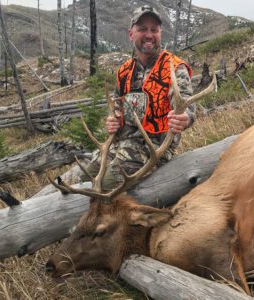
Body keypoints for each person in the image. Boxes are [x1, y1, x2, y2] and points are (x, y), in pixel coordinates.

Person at [83, 5, 195, 190]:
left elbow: (188, 107)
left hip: (152, 149)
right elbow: (116, 107)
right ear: (131, 34)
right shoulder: (125, 71)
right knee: (80, 175)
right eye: (142, 29)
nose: (149, 35)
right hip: (120, 145)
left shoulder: (175, 68)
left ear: (160, 33)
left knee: (103, 186)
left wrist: (185, 119)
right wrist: (113, 120)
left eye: (154, 30)